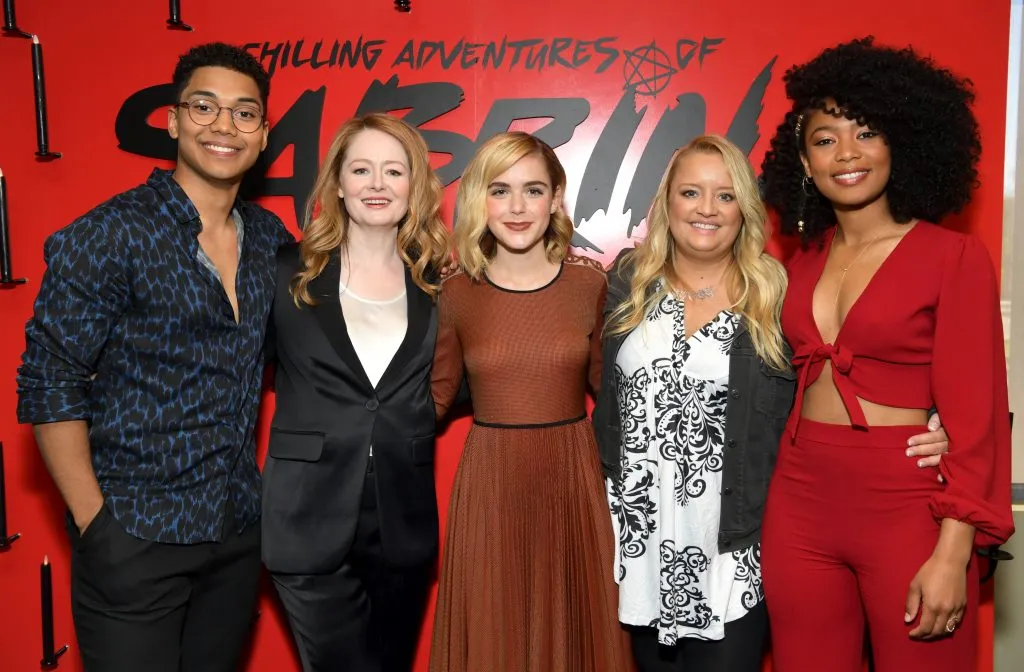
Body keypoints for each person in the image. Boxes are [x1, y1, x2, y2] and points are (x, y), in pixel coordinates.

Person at [593, 135, 951, 672]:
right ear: (667, 202)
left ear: (745, 209)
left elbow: (854, 358)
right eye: (691, 192)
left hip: (737, 544)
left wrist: (931, 418)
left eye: (726, 195)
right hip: (643, 539)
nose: (707, 209)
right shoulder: (627, 281)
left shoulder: (777, 291)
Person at [16, 43, 292, 671]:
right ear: (172, 120)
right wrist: (97, 526)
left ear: (264, 133)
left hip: (233, 533)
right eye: (204, 107)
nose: (224, 126)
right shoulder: (110, 234)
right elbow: (48, 383)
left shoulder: (271, 241)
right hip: (134, 535)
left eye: (244, 113)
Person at [759, 37, 1015, 672]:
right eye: (824, 139)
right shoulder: (802, 260)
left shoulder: (950, 256)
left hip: (905, 503)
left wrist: (955, 551)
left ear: (900, 142)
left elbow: (977, 415)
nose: (846, 153)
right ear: (804, 160)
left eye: (866, 133)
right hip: (798, 496)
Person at [429, 131, 633, 672]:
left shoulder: (591, 284)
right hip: (491, 481)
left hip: (572, 476)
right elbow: (434, 397)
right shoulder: (454, 292)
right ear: (479, 200)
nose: (517, 207)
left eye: (533, 190)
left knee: (576, 632)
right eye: (500, 190)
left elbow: (614, 396)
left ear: (556, 197)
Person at [261, 113, 451, 672]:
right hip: (305, 518)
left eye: (394, 171)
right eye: (361, 169)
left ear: (414, 187)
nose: (376, 184)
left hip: (402, 522)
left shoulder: (439, 285)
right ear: (337, 184)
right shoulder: (284, 273)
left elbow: (455, 379)